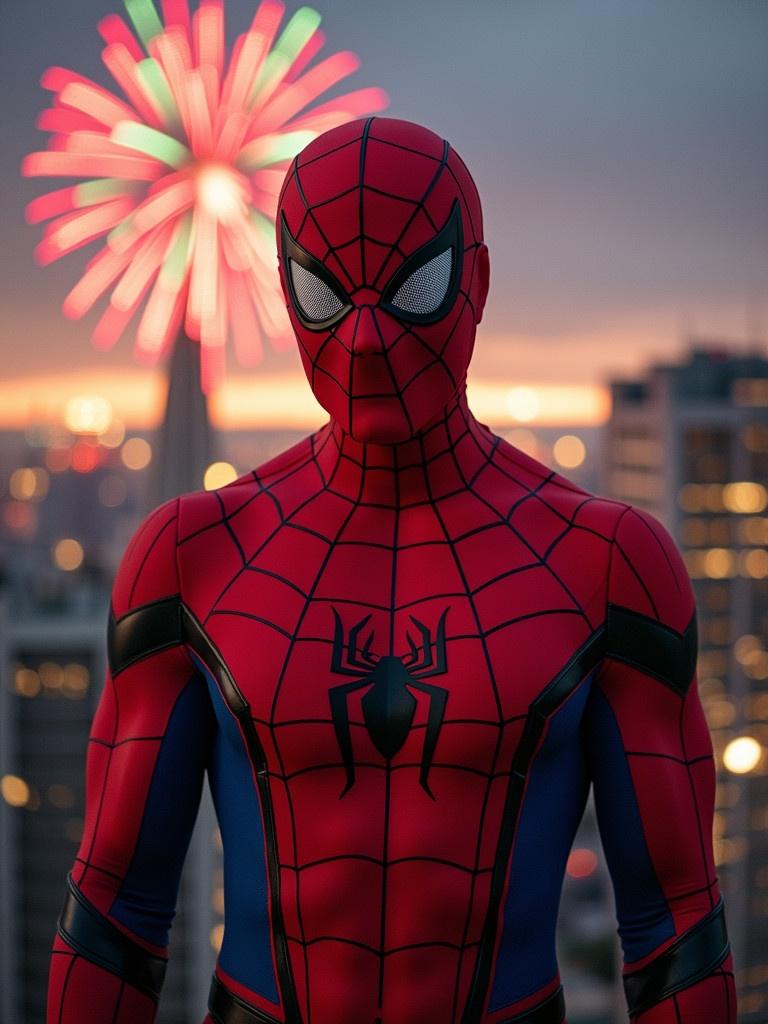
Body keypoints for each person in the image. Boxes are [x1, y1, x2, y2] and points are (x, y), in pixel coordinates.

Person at [46, 116, 736, 1024]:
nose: (366, 341)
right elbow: (112, 918)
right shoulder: (192, 556)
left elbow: (674, 928)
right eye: (325, 296)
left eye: (414, 288)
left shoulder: (606, 563)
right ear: (286, 304)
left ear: (475, 280)